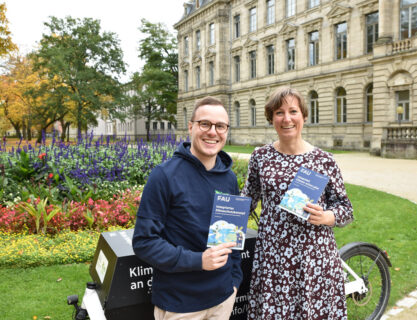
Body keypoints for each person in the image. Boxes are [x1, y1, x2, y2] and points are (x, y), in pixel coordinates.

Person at [242, 87, 354, 319]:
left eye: (293, 111)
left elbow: (345, 208)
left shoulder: (324, 160)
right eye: (279, 112)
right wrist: (217, 226)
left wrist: (326, 216)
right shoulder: (260, 157)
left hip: (314, 259)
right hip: (274, 259)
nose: (287, 118)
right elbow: (247, 202)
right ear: (271, 118)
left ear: (304, 116)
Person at [133, 96, 242, 320]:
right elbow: (144, 242)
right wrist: (199, 261)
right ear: (191, 127)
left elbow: (234, 237)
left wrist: (234, 282)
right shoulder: (164, 176)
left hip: (223, 299)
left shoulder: (229, 178)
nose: (213, 132)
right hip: (181, 305)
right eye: (205, 124)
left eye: (220, 126)